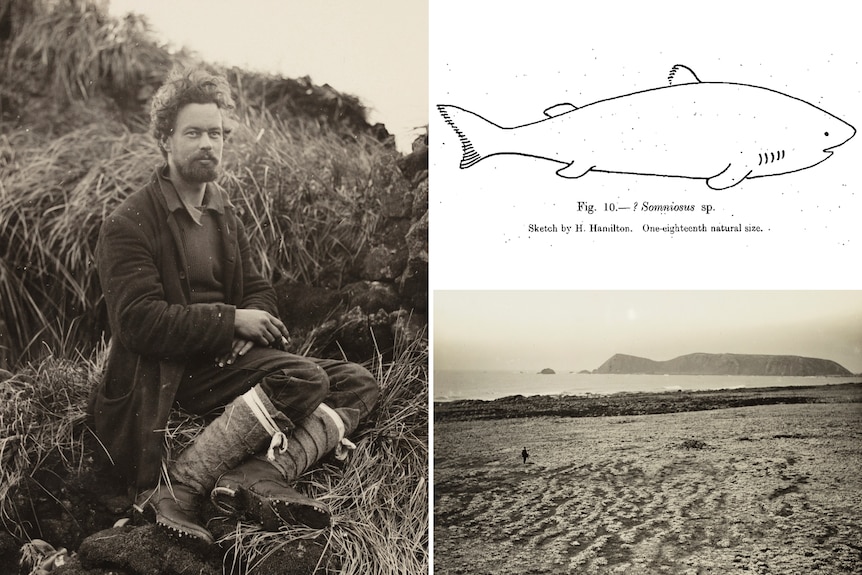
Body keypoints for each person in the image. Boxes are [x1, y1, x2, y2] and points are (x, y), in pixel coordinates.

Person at [87, 67, 379, 545]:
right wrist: (229, 322)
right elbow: (138, 323)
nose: (209, 144)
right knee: (305, 378)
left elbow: (258, 290)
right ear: (165, 139)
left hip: (219, 363)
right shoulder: (130, 222)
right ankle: (180, 486)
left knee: (357, 383)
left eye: (217, 133)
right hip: (163, 378)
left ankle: (257, 475)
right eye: (195, 133)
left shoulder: (223, 213)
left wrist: (243, 328)